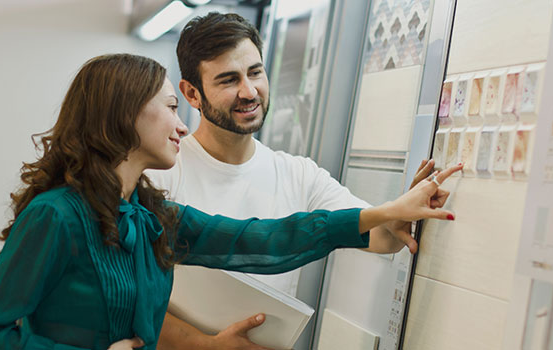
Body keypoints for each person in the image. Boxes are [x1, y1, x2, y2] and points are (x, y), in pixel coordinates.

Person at [0, 54, 458, 350]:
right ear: (125, 115)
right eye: (172, 108)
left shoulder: (150, 217)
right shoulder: (56, 216)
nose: (182, 126)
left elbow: (262, 238)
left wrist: (387, 212)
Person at [147, 12, 463, 350]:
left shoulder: (299, 174)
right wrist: (204, 344)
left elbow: (383, 238)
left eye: (255, 72)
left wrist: (400, 211)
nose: (249, 91)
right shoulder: (160, 173)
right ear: (192, 94)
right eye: (228, 80)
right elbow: (132, 295)